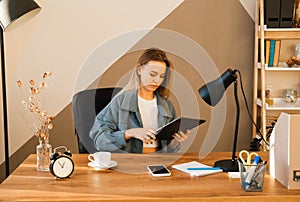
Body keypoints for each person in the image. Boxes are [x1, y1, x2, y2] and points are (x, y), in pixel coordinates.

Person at [89, 48, 190, 153]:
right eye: (152, 74)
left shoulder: (167, 106)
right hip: (130, 164)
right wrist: (129, 133)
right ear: (139, 69)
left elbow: (169, 151)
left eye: (162, 76)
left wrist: (175, 143)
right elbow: (100, 141)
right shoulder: (120, 101)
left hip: (158, 162)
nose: (157, 80)